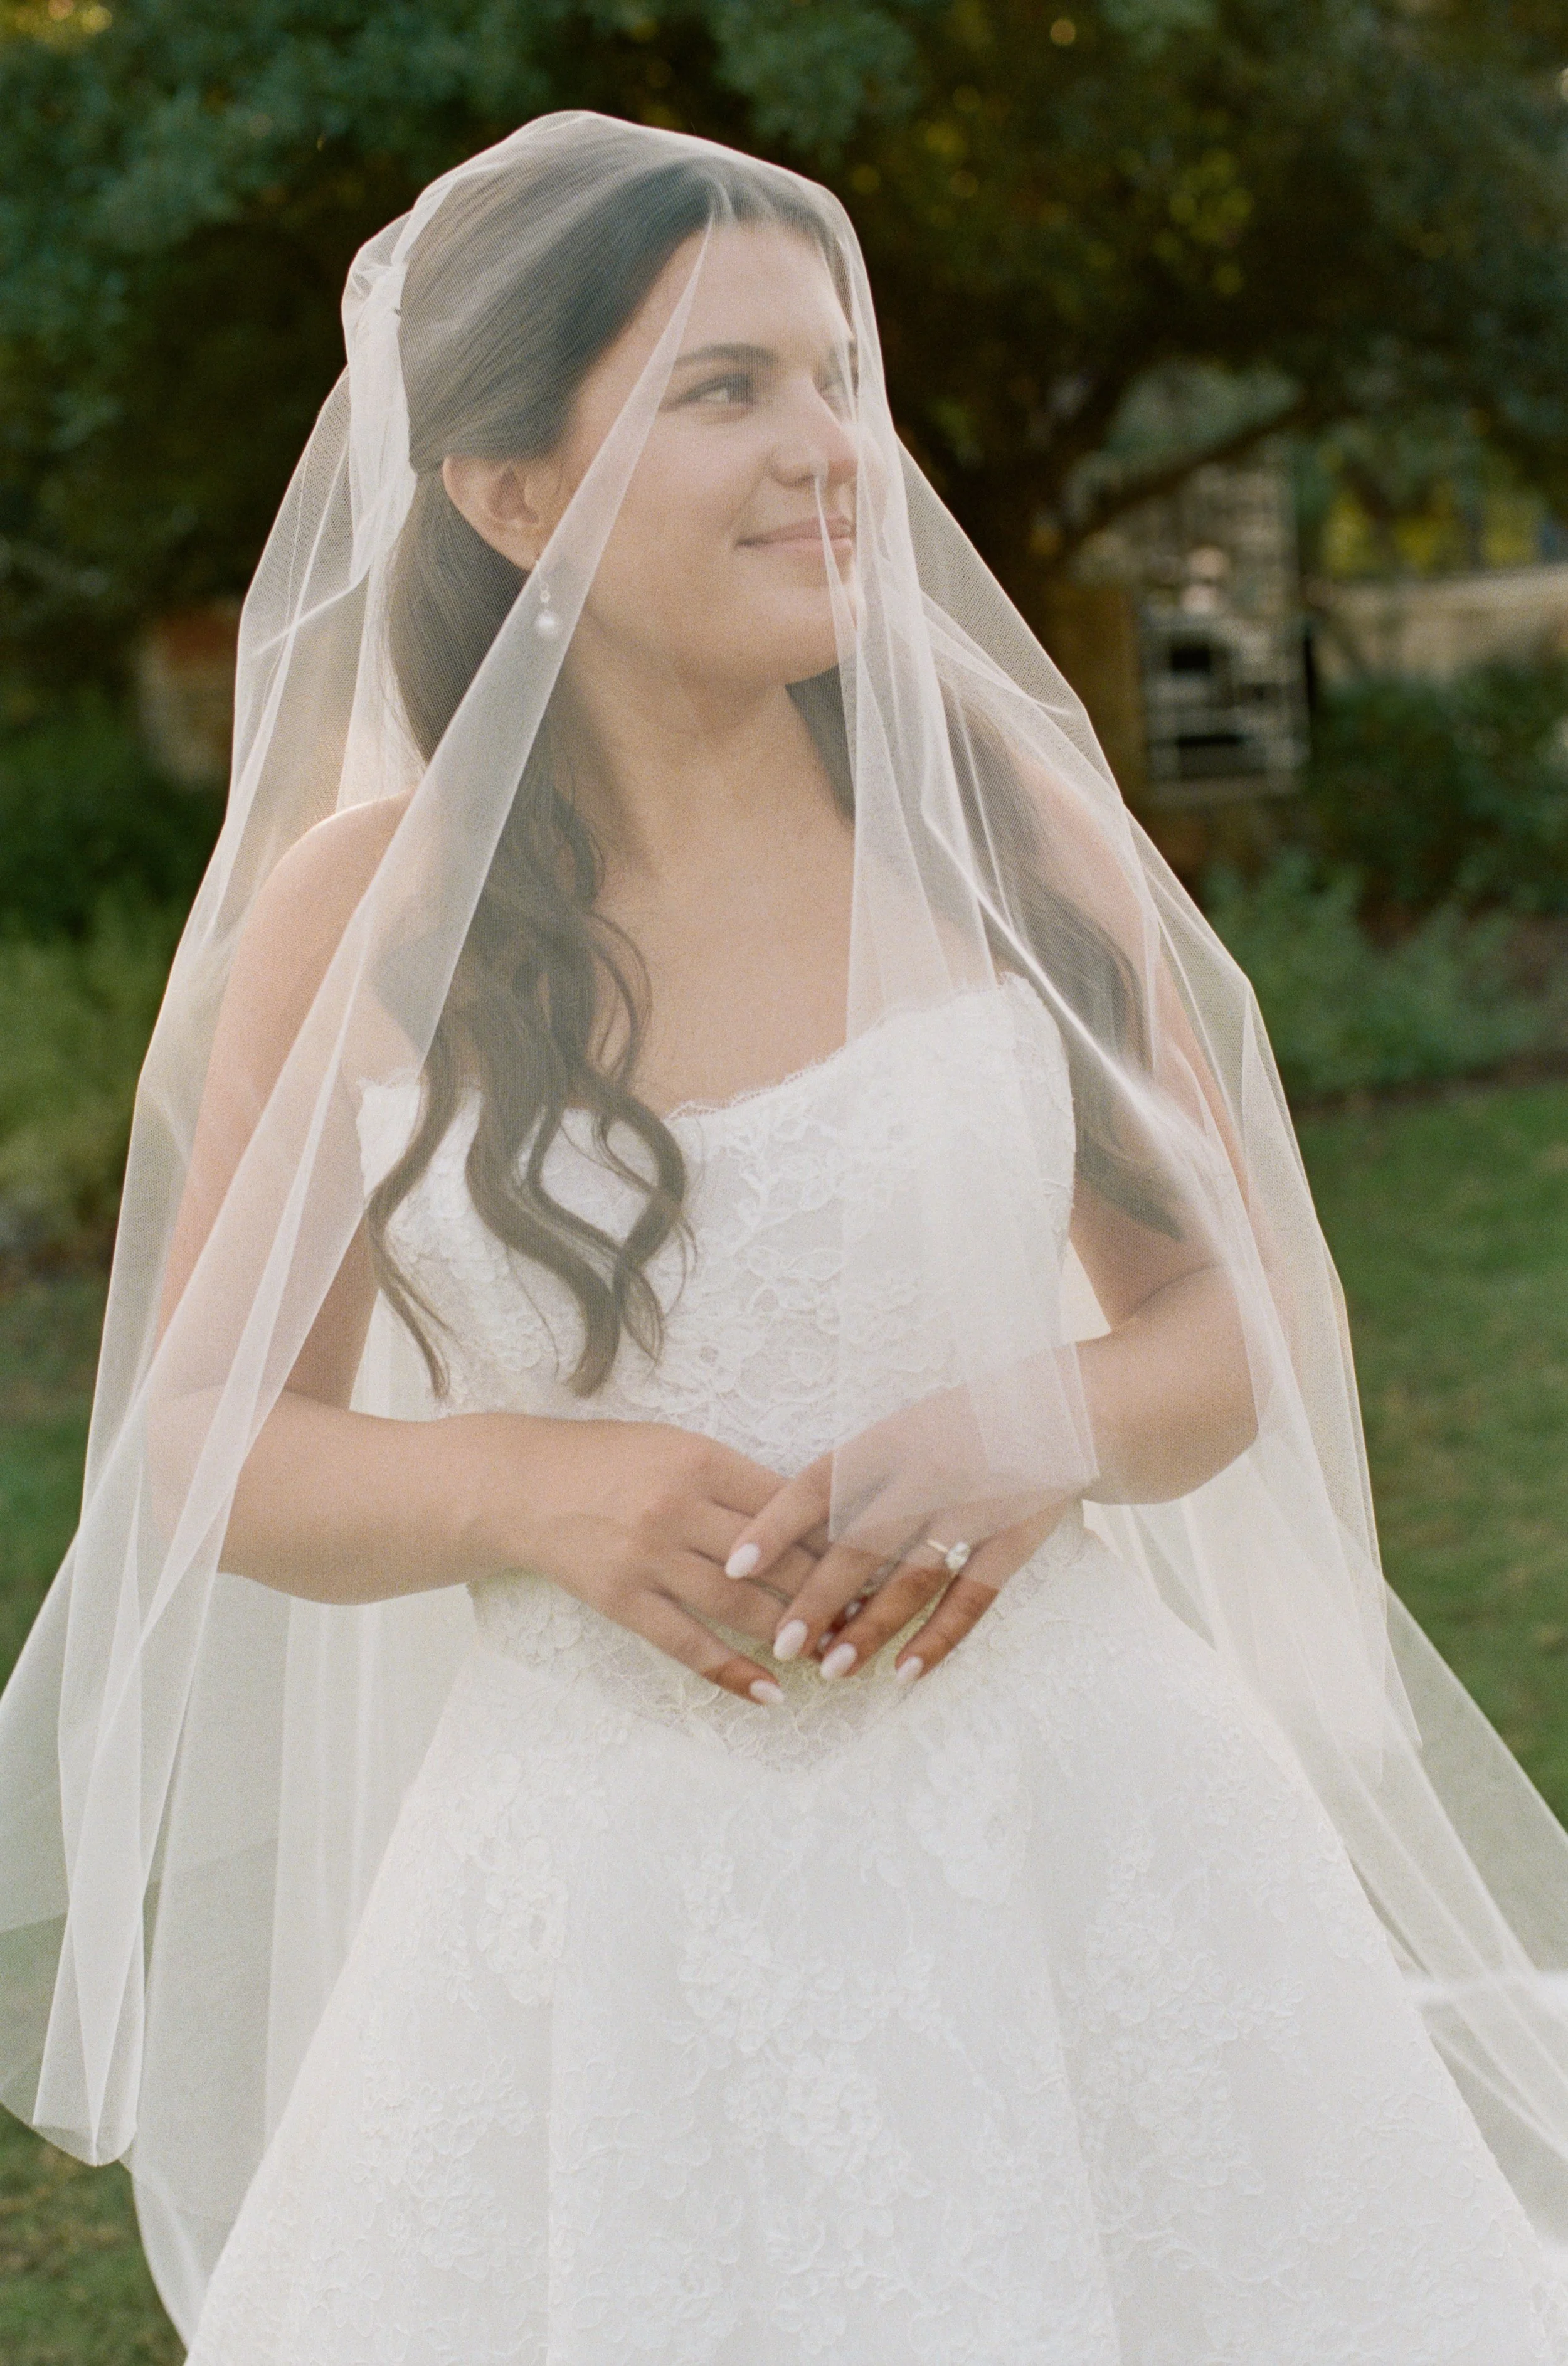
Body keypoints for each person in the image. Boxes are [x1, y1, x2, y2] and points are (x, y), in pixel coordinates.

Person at [4, 112, 1568, 2363]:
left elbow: (1246, 1311)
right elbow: (204, 1448)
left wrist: (1049, 1418)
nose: (828, 449)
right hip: (606, 1925)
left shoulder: (999, 819)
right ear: (505, 488)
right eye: (723, 390)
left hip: (1086, 1853)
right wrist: (524, 1484)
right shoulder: (372, 911)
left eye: (834, 378)